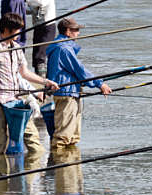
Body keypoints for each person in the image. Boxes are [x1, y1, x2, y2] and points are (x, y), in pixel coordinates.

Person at [0, 12, 58, 155]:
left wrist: (46, 82)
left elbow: (25, 73)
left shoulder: (16, 48)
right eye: (17, 30)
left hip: (16, 101)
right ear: (6, 30)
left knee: (34, 143)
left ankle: (35, 174)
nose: (20, 33)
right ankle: (0, 175)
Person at [46, 17, 112, 150]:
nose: (78, 33)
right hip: (66, 94)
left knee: (73, 136)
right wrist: (100, 84)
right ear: (67, 32)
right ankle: (57, 165)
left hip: (71, 92)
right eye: (75, 30)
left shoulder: (61, 46)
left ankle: (72, 165)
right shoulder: (64, 49)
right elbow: (80, 70)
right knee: (63, 136)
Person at [27, 0, 56, 76]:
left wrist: (26, 1)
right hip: (38, 27)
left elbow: (41, 3)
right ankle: (38, 76)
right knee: (36, 55)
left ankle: (44, 79)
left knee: (41, 54)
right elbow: (31, 10)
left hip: (48, 26)